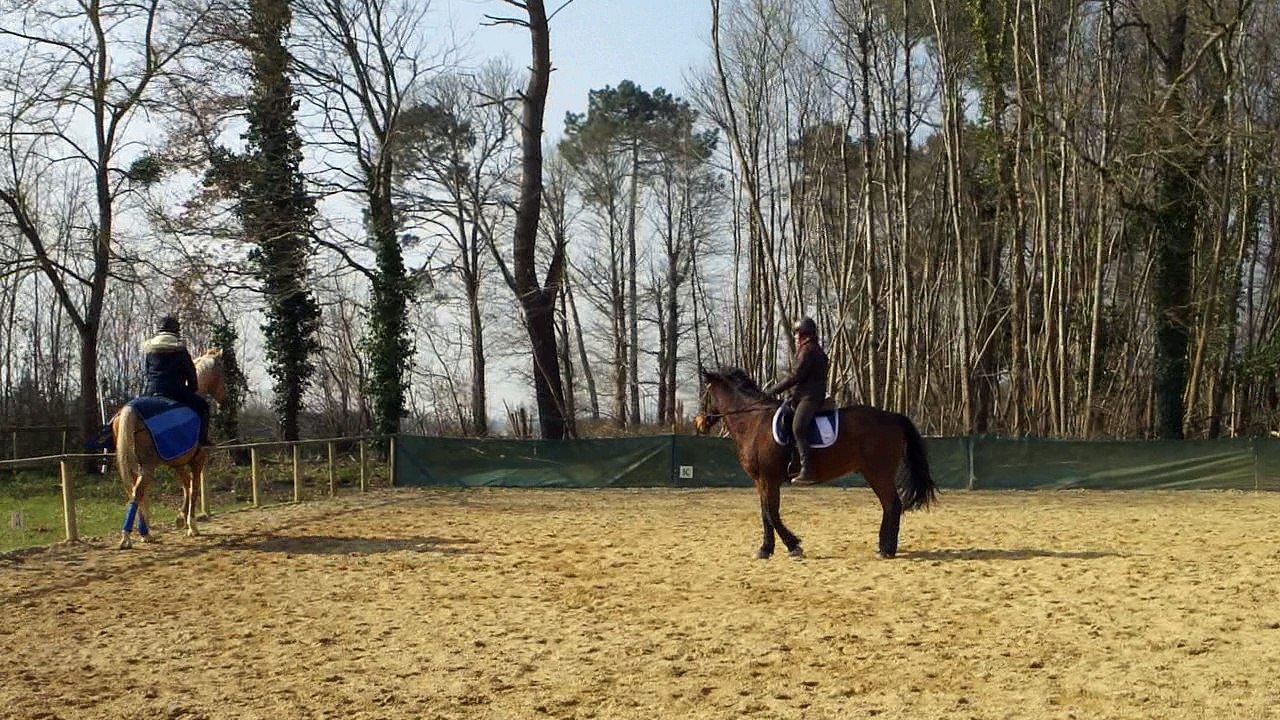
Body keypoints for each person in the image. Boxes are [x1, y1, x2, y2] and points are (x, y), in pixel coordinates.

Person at [763, 317, 830, 484]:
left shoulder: (808, 350)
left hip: (810, 397)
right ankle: (791, 464)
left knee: (798, 427)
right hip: (804, 395)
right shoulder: (812, 349)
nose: (795, 337)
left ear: (803, 335)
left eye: (796, 334)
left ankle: (808, 470)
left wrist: (772, 391)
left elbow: (796, 376)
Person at [143, 315, 211, 447]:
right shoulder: (179, 349)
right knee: (204, 407)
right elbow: (190, 373)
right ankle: (202, 441)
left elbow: (147, 372)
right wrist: (192, 389)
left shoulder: (150, 350)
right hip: (176, 392)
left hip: (151, 392)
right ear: (176, 331)